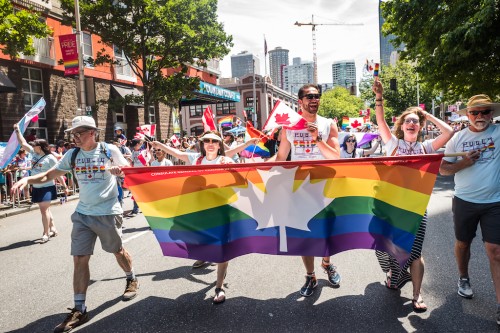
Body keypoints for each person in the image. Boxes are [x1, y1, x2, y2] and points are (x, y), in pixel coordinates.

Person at [11, 116, 138, 332]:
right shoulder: (73, 154)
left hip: (108, 212)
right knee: (79, 258)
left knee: (117, 251)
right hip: (83, 214)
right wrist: (29, 179)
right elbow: (52, 173)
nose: (75, 137)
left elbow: (129, 175)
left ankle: (131, 278)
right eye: (73, 133)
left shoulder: (109, 150)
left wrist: (120, 172)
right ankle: (80, 309)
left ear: (92, 133)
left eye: (79, 133)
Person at [372, 77, 453, 312]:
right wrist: (379, 97)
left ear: (420, 127)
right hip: (390, 209)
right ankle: (393, 274)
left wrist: (427, 116)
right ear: (402, 125)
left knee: (415, 253)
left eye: (415, 122)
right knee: (383, 249)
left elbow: (447, 132)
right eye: (408, 121)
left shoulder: (426, 148)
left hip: (417, 208)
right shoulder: (392, 144)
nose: (411, 124)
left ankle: (417, 295)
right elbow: (379, 120)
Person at [151, 130, 235, 304]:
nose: (210, 143)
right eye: (207, 141)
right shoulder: (196, 159)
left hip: (220, 211)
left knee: (222, 250)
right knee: (199, 242)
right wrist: (160, 146)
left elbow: (236, 184)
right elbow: (177, 153)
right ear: (203, 144)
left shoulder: (226, 161)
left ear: (219, 145)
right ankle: (205, 256)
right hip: (199, 213)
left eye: (214, 141)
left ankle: (219, 286)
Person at [439, 94, 500, 324]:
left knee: (495, 250)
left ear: (492, 113)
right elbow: (443, 170)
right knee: (463, 243)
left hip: (495, 202)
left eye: (485, 111)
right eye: (475, 112)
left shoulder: (498, 133)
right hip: (465, 200)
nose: (480, 116)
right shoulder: (458, 138)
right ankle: (463, 278)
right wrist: (465, 162)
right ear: (467, 115)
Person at [275, 84, 341, 297]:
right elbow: (281, 158)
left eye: (317, 96)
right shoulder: (288, 127)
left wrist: (318, 140)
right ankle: (311, 275)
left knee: (328, 234)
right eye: (310, 96)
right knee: (304, 234)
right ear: (300, 101)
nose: (315, 99)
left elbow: (336, 158)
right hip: (300, 188)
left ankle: (327, 263)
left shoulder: (328, 124)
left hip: (325, 187)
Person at [14, 124, 69, 243]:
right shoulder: (33, 153)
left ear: (41, 147)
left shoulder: (50, 158)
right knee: (45, 209)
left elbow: (57, 173)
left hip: (47, 187)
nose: (32, 147)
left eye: (35, 145)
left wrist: (64, 187)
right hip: (36, 186)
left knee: (43, 210)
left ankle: (46, 233)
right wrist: (17, 131)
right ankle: (53, 227)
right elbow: (23, 143)